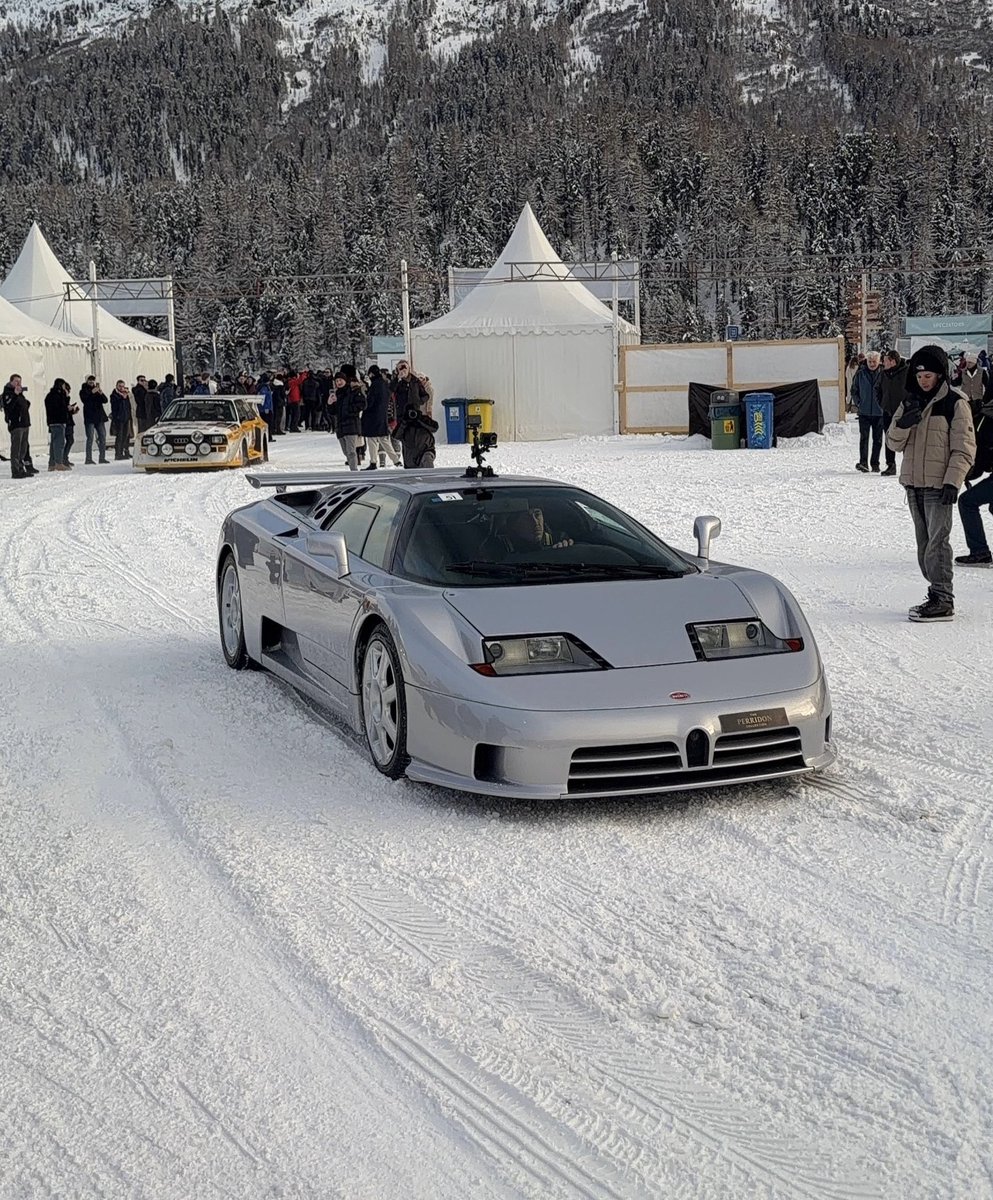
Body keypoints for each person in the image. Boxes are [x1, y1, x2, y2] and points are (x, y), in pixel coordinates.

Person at [886, 344, 976, 622]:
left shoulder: (955, 403)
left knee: (938, 543)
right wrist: (904, 424)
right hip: (914, 484)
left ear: (940, 375)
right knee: (924, 545)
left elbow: (964, 447)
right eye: (920, 375)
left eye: (930, 375)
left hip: (940, 486)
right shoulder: (909, 402)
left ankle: (943, 598)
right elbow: (892, 443)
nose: (924, 380)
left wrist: (953, 481)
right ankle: (936, 591)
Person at [955, 389, 993, 567]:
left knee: (966, 502)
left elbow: (981, 456)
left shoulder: (984, 419)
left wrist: (967, 472)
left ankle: (980, 552)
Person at [483, 507, 574, 557]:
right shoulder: (499, 546)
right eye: (527, 518)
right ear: (513, 524)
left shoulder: (558, 539)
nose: (535, 522)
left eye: (537, 515)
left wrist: (566, 550)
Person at [850, 350, 884, 472]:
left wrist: (883, 405)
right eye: (870, 361)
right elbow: (854, 390)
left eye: (874, 361)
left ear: (879, 361)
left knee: (878, 439)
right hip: (864, 412)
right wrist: (858, 403)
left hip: (879, 412)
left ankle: (875, 463)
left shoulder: (883, 374)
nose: (872, 363)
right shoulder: (860, 373)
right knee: (864, 438)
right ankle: (863, 462)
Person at [361, 365, 401, 469]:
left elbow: (370, 402)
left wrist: (365, 397)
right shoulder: (384, 384)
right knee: (384, 439)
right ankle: (396, 461)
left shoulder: (375, 385)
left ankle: (373, 462)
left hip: (372, 416)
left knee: (372, 440)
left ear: (371, 374)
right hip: (382, 416)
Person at [877, 350, 907, 476]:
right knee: (889, 438)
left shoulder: (906, 372)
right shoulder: (883, 374)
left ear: (893, 361)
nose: (883, 363)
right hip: (887, 411)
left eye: (885, 360)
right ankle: (891, 464)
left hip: (903, 411)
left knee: (907, 438)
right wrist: (882, 403)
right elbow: (878, 389)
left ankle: (908, 465)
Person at [334, 364, 366, 470]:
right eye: (336, 381)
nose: (338, 383)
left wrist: (350, 410)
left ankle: (354, 472)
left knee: (351, 451)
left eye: (340, 380)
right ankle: (356, 461)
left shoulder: (353, 390)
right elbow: (333, 411)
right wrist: (330, 404)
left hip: (351, 424)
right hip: (341, 425)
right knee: (346, 451)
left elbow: (362, 404)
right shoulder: (337, 393)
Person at [394, 394, 439, 469]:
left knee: (427, 461)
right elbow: (395, 436)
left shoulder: (424, 420)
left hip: (425, 451)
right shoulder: (404, 423)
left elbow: (435, 428)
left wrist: (420, 419)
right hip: (410, 458)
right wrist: (404, 422)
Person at [3, 374, 35, 479]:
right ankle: (15, 470)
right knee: (16, 448)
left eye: (20, 381)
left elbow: (24, 405)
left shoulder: (20, 394)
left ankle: (21, 468)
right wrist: (15, 395)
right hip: (16, 424)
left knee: (23, 448)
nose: (19, 384)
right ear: (11, 382)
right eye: (16, 381)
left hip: (24, 423)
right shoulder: (8, 393)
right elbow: (8, 407)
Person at [45, 379, 72, 471]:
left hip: (51, 422)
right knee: (59, 443)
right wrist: (67, 398)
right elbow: (62, 407)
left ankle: (51, 464)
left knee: (53, 443)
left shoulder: (49, 395)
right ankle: (59, 463)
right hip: (59, 421)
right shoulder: (59, 395)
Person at [82, 376, 109, 463]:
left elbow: (105, 400)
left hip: (99, 417)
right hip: (89, 418)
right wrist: (91, 392)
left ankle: (102, 457)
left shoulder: (97, 390)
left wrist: (101, 393)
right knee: (90, 438)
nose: (91, 382)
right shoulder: (83, 391)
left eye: (93, 380)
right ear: (87, 381)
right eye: (90, 380)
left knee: (103, 437)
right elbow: (84, 399)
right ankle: (88, 458)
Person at [109, 380, 132, 459]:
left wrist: (129, 416)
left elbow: (128, 406)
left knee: (125, 436)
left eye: (123, 386)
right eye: (120, 386)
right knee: (119, 436)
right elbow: (115, 406)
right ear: (116, 386)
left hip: (126, 417)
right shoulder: (114, 395)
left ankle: (124, 451)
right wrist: (122, 398)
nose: (122, 388)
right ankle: (118, 454)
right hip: (119, 418)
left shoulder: (126, 395)